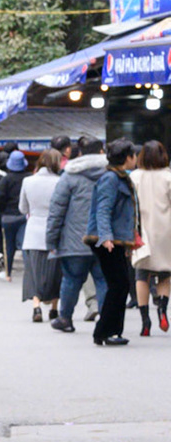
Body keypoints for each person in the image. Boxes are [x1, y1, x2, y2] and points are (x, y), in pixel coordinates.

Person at [45, 138, 108, 334]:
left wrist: (51, 239)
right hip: (104, 240)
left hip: (74, 241)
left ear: (79, 153)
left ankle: (65, 318)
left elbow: (57, 210)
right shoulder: (111, 175)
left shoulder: (70, 176)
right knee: (104, 280)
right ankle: (106, 321)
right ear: (101, 152)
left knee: (71, 280)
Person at [89, 139, 141, 346]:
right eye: (133, 155)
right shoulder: (110, 179)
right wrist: (106, 237)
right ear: (127, 158)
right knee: (118, 284)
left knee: (120, 284)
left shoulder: (120, 178)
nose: (135, 159)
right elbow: (103, 209)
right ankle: (103, 331)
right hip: (107, 240)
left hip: (116, 239)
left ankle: (112, 331)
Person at [19, 149, 64, 324]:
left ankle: (36, 306)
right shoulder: (60, 182)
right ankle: (54, 308)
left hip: (33, 232)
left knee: (33, 271)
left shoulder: (28, 181)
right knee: (55, 272)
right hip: (55, 231)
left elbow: (23, 208)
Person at [132, 140, 171, 336]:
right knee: (165, 273)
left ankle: (145, 321)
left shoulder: (135, 177)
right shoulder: (168, 177)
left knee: (141, 274)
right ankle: (163, 310)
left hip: (142, 231)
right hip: (166, 231)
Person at [0, 151, 30, 279]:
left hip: (8, 216)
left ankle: (8, 273)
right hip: (24, 216)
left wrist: (3, 210)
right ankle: (29, 271)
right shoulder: (29, 178)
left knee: (8, 246)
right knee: (25, 244)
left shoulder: (5, 180)